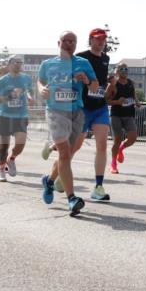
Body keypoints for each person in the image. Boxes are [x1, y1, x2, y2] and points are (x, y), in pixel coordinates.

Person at [42, 28, 112, 201]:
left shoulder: (105, 58)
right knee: (70, 151)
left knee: (102, 145)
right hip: (81, 107)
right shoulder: (80, 56)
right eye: (97, 39)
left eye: (103, 39)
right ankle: (51, 180)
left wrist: (91, 82)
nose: (101, 42)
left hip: (99, 107)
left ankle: (98, 186)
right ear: (90, 40)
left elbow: (96, 84)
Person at [38, 31, 98, 216]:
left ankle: (49, 181)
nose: (69, 44)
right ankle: (72, 198)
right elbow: (40, 81)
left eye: (73, 41)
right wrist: (42, 90)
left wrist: (88, 81)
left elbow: (95, 86)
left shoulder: (83, 63)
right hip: (56, 111)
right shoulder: (48, 64)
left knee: (68, 155)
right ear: (59, 42)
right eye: (66, 41)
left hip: (76, 112)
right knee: (64, 153)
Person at [0, 57, 34, 182]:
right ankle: (1, 169)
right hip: (4, 115)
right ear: (9, 65)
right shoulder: (3, 80)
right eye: (16, 62)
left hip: (21, 115)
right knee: (4, 145)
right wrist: (10, 95)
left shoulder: (26, 78)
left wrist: (30, 97)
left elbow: (28, 91)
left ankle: (12, 159)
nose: (18, 65)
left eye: (20, 63)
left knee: (21, 144)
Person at [107, 63, 138, 174]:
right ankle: (113, 164)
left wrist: (137, 101)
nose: (124, 71)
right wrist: (117, 102)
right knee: (117, 140)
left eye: (126, 69)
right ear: (117, 71)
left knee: (133, 137)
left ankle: (121, 148)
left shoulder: (130, 83)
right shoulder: (113, 85)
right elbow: (106, 100)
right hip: (116, 115)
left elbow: (133, 94)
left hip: (129, 114)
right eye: (121, 69)